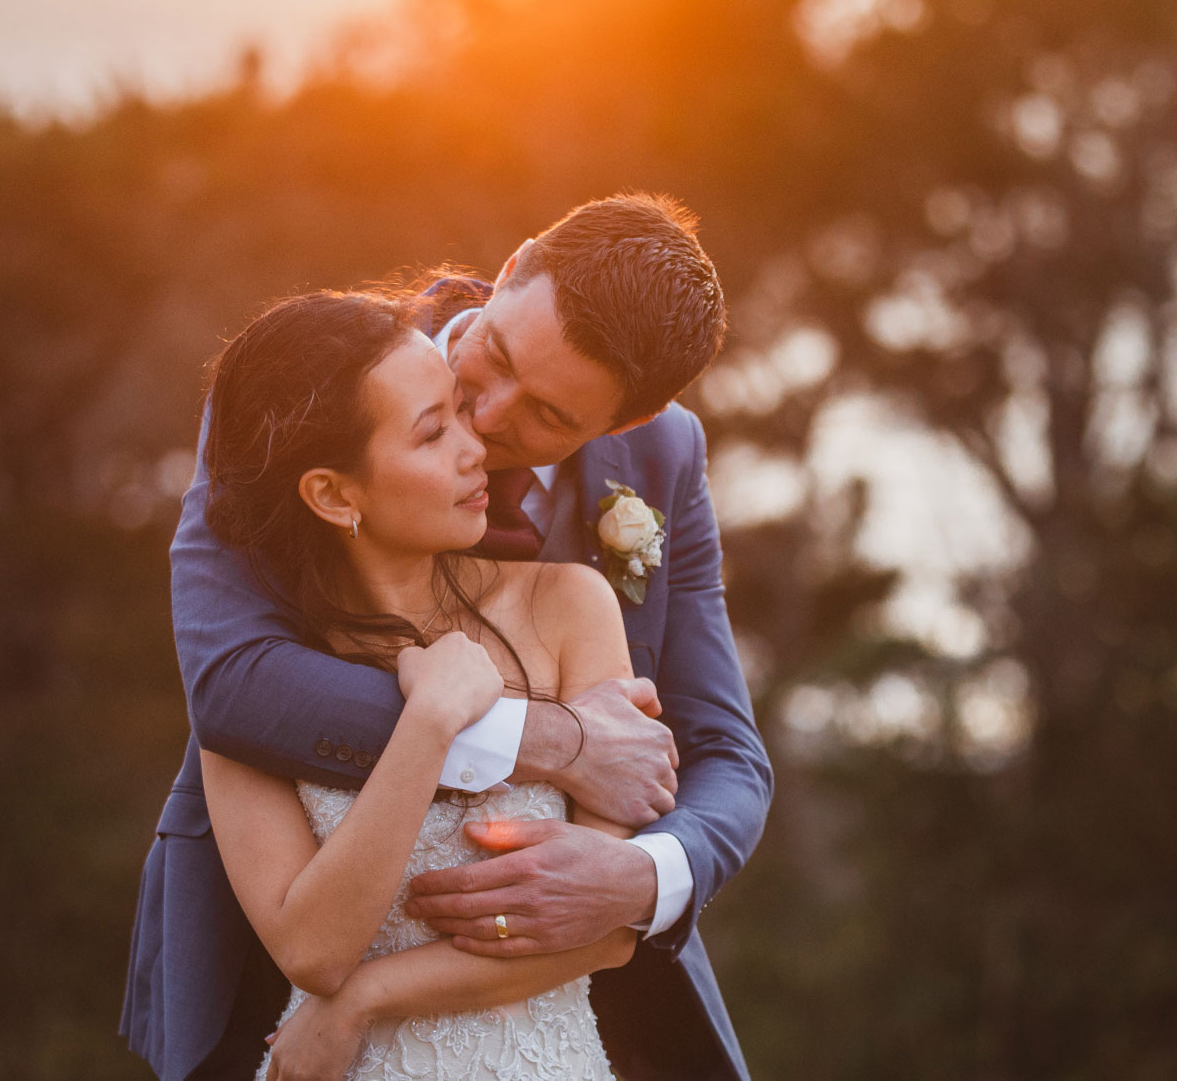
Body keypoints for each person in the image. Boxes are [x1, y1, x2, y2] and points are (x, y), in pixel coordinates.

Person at [124, 193, 772, 1080]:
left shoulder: (658, 466)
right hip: (268, 980)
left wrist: (642, 878)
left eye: (547, 414)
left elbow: (727, 751)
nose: (490, 415)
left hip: (570, 1017)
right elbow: (235, 684)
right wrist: (548, 738)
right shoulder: (308, 388)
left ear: (620, 425)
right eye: (494, 354)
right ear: (512, 268)